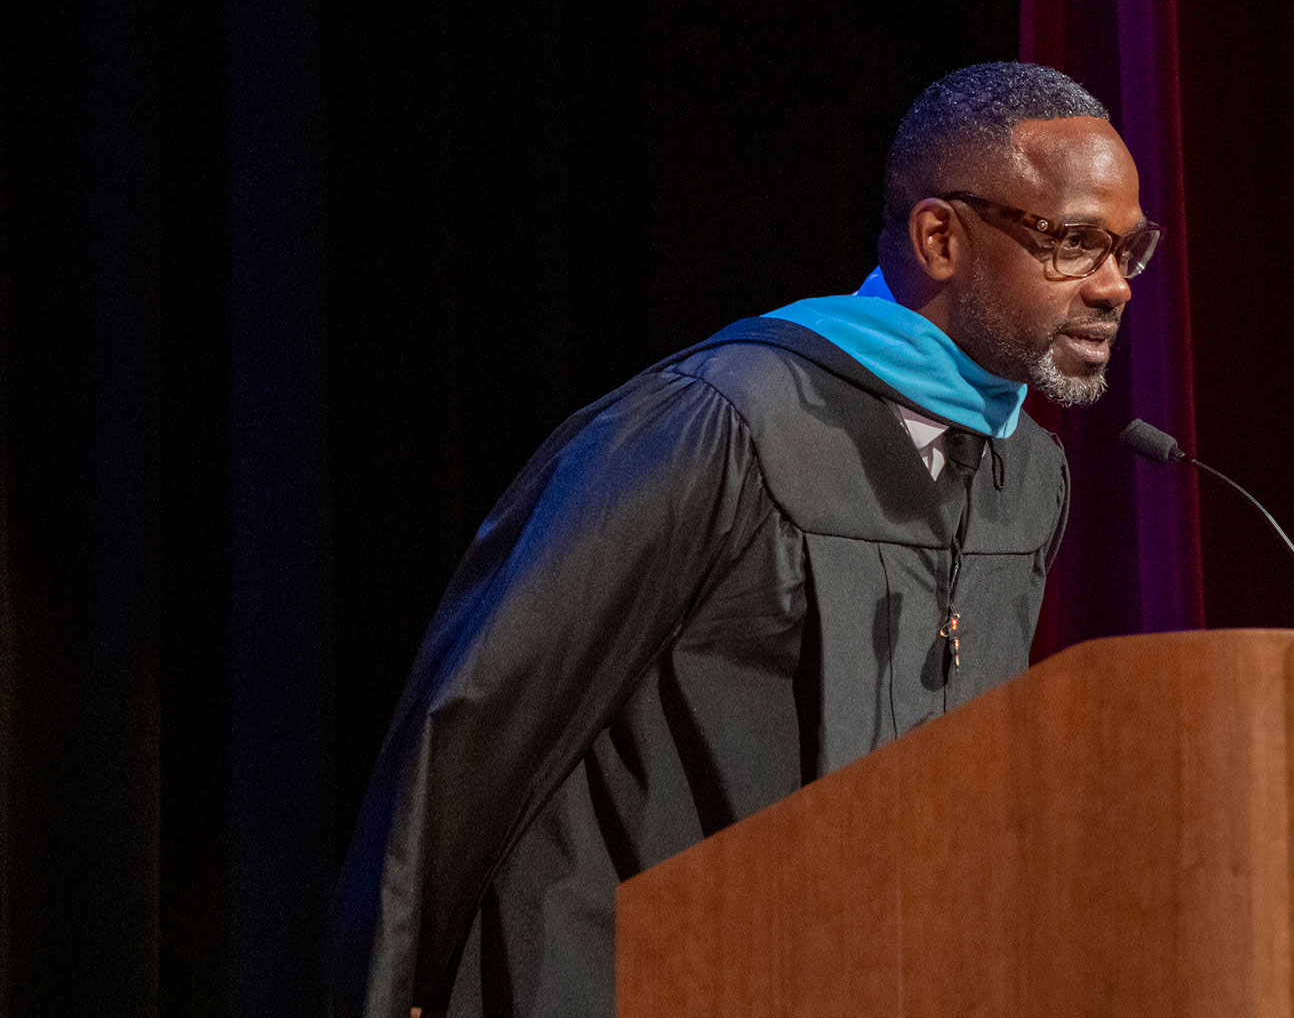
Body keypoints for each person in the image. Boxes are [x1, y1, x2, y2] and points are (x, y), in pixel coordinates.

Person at [330, 61, 1162, 1018]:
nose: (1114, 288)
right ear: (941, 236)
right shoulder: (722, 422)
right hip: (627, 973)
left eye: (1128, 251)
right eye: (1075, 244)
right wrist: (394, 984)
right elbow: (493, 710)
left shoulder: (1027, 475)